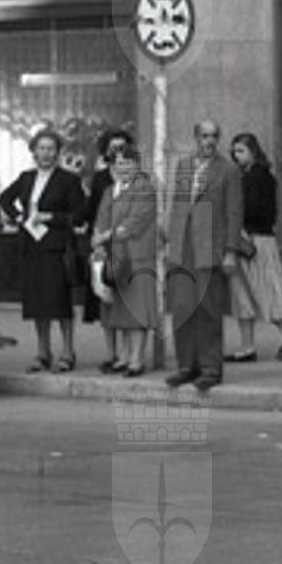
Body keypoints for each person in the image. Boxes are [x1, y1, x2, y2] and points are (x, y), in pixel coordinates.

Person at [0, 127, 86, 372]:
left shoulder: (69, 180)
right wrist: (18, 217)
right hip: (31, 245)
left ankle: (68, 352)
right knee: (37, 302)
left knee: (59, 300)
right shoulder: (26, 177)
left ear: (58, 153)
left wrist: (50, 217)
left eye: (51, 149)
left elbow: (79, 215)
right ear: (34, 152)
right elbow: (4, 198)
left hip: (56, 248)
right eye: (41, 148)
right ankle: (43, 351)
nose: (46, 153)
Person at [165, 119, 244, 395]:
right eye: (204, 136)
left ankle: (210, 368)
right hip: (182, 246)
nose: (209, 141)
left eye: (214, 136)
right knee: (182, 307)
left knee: (208, 309)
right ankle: (187, 365)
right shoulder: (184, 166)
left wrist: (231, 251)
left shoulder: (229, 170)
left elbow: (234, 212)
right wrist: (170, 241)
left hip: (210, 246)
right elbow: (178, 203)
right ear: (196, 137)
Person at [224, 133, 282, 363]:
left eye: (241, 151)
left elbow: (249, 209)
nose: (236, 156)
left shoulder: (250, 178)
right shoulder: (266, 176)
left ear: (253, 151)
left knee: (256, 290)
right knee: (256, 290)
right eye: (234, 151)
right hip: (261, 238)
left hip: (250, 239)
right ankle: (255, 343)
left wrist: (238, 225)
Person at [91, 140, 161, 376]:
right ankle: (122, 357)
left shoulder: (145, 189)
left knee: (137, 310)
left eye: (128, 163)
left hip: (137, 257)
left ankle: (136, 360)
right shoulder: (110, 191)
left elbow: (134, 223)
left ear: (137, 165)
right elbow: (100, 219)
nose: (123, 168)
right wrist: (98, 242)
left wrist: (105, 236)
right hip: (114, 257)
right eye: (119, 163)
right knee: (118, 311)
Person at [81, 128, 134, 369]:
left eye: (122, 147)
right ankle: (111, 354)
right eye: (113, 148)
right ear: (105, 150)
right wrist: (96, 244)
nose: (118, 152)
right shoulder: (100, 179)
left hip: (128, 246)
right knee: (105, 301)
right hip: (103, 246)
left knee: (126, 302)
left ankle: (126, 354)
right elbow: (93, 213)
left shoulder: (136, 177)